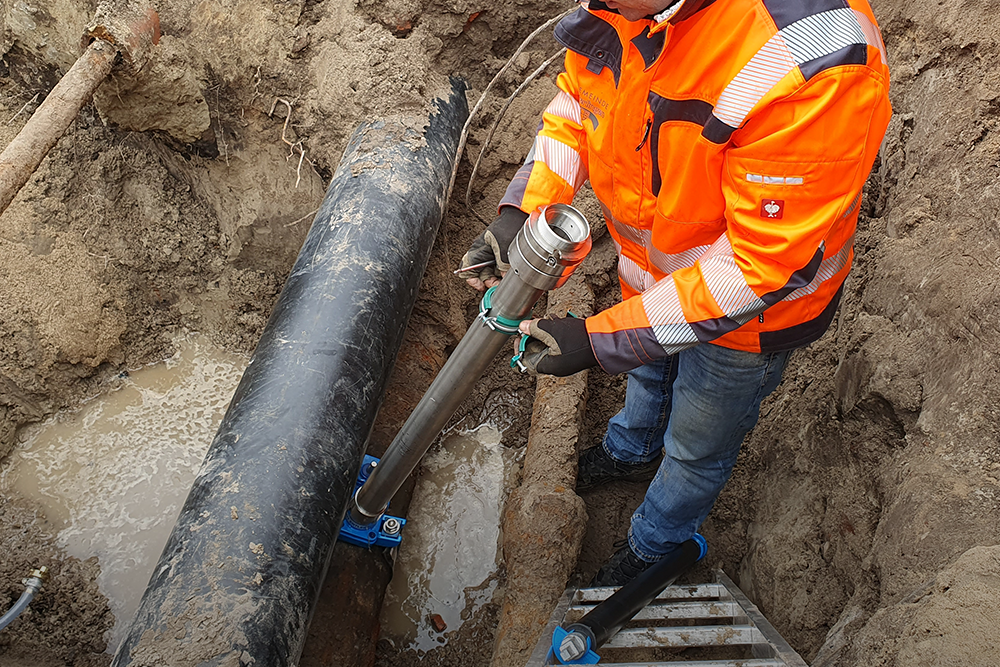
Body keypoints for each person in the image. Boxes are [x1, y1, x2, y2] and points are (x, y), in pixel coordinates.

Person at [459, 0, 891, 586]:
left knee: (695, 443)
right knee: (649, 375)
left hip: (750, 317)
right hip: (655, 276)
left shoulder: (814, 58)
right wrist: (526, 211)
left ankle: (656, 543)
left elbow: (756, 269)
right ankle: (632, 448)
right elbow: (573, 109)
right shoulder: (620, 10)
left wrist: (597, 339)